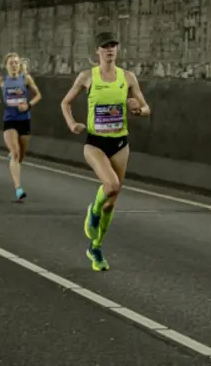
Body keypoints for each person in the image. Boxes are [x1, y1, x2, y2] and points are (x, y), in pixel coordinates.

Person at [60, 32, 150, 272]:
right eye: (105, 46)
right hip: (95, 142)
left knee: (112, 203)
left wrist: (138, 110)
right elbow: (65, 102)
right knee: (110, 186)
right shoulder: (87, 77)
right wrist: (72, 124)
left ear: (117, 50)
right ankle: (93, 211)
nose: (110, 50)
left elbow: (145, 106)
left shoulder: (127, 77)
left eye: (113, 46)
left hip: (120, 143)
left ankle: (96, 247)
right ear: (97, 52)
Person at [0, 53, 42, 201]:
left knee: (20, 156)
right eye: (11, 63)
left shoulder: (25, 79)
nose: (14, 65)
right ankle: (18, 188)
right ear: (6, 65)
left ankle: (13, 157)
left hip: (24, 120)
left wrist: (28, 105)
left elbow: (38, 95)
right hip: (9, 120)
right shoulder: (2, 80)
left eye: (16, 62)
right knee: (15, 152)